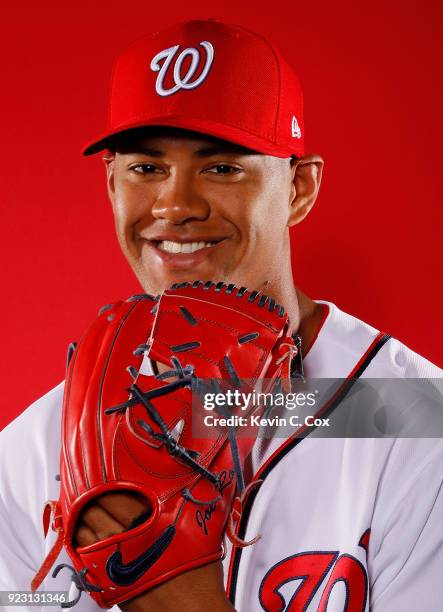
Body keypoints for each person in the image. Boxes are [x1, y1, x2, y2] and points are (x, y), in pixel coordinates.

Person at [0, 18, 441, 612]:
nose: (175, 205)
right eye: (145, 168)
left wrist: (175, 597)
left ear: (298, 188)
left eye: (222, 167)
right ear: (110, 185)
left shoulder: (414, 418)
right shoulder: (38, 447)